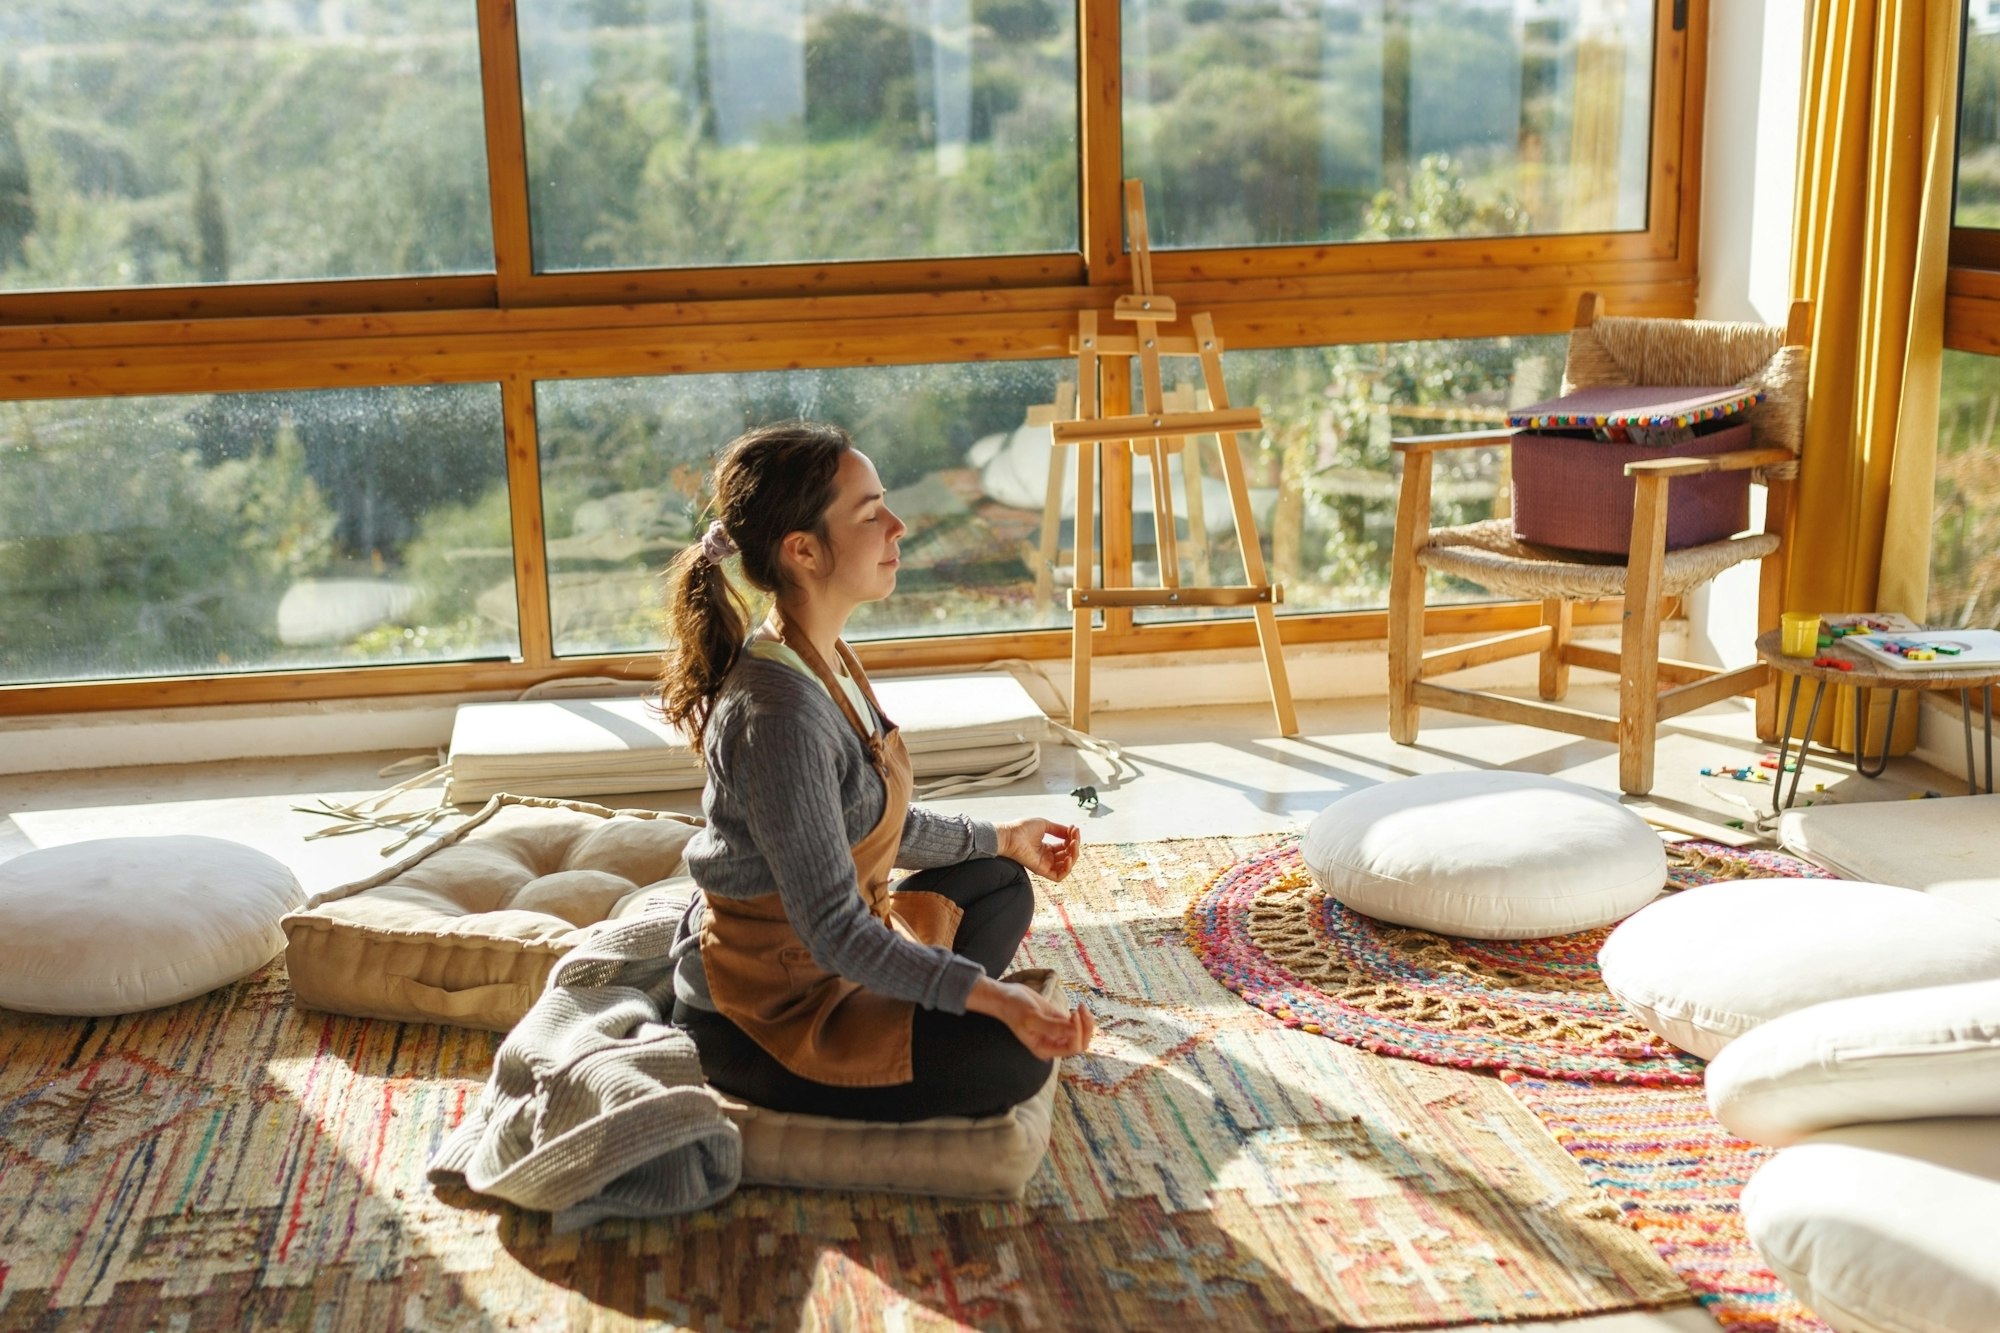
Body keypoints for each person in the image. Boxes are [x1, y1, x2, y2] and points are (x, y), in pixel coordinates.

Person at [660, 420, 1094, 1121]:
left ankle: (914, 1002)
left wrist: (1002, 837)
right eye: (870, 514)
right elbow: (833, 928)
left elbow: (869, 819)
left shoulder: (824, 655)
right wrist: (995, 995)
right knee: (1013, 1061)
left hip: (841, 953)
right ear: (802, 550)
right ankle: (910, 1020)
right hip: (766, 1012)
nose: (897, 525)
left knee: (999, 882)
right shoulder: (779, 716)